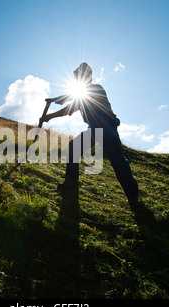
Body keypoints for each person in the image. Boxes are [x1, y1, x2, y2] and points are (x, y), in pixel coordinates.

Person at [40, 63, 139, 202]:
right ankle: (71, 182)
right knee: (74, 148)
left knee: (118, 161)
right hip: (95, 129)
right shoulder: (82, 94)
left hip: (106, 128)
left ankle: (133, 195)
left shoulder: (96, 89)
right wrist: (50, 115)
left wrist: (55, 100)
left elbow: (74, 99)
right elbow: (69, 108)